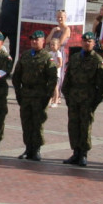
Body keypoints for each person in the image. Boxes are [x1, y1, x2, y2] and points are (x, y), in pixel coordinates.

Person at [60, 31, 103, 167]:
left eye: (90, 41)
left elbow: (102, 85)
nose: (87, 43)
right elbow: (67, 79)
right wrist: (67, 96)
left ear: (93, 43)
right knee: (73, 125)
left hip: (88, 98)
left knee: (85, 127)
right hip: (74, 97)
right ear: (81, 42)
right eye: (85, 41)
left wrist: (95, 102)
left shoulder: (97, 60)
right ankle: (75, 152)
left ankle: (83, 154)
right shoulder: (75, 58)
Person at [12, 30, 59, 161]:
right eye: (32, 39)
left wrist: (48, 96)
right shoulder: (25, 55)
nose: (34, 41)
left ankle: (36, 149)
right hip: (26, 94)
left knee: (38, 124)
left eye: (37, 39)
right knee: (26, 123)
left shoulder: (47, 57)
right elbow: (16, 76)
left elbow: (52, 79)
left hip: (40, 95)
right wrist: (18, 92)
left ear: (43, 41)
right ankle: (28, 148)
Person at [48, 9, 72, 106]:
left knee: (59, 76)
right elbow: (47, 40)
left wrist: (53, 43)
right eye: (58, 17)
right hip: (52, 52)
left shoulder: (67, 29)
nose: (59, 19)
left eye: (61, 17)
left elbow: (60, 42)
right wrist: (53, 31)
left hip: (60, 53)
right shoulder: (55, 29)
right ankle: (52, 97)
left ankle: (57, 97)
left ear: (65, 18)